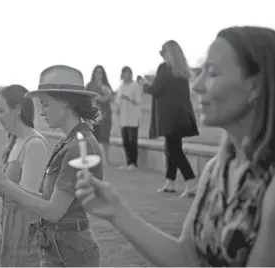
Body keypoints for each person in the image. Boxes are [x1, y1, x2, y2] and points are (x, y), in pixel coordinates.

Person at [75, 26, 275, 266]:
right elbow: (187, 257)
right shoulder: (216, 170)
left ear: (254, 86)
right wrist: (116, 211)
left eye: (212, 73)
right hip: (177, 122)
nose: (197, 85)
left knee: (174, 149)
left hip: (171, 120)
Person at [0, 65, 103, 267]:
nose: (40, 110)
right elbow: (48, 200)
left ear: (65, 102)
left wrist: (3, 183)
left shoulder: (79, 146)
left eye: (45, 104)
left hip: (70, 251)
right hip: (58, 246)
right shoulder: (71, 143)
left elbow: (53, 211)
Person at [0, 84, 49, 267]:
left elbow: (27, 196)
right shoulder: (16, 141)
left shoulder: (34, 144)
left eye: (1, 110)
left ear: (17, 109)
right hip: (8, 227)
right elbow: (11, 190)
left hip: (25, 234)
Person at [142, 40, 199, 197]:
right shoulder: (181, 71)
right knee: (172, 148)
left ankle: (191, 183)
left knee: (174, 150)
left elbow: (155, 89)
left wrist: (144, 85)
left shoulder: (165, 68)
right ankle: (170, 182)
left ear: (167, 53)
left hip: (169, 115)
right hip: (181, 114)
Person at [115, 67, 143, 170]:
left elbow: (138, 100)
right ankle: (128, 162)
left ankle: (133, 163)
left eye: (128, 73)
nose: (126, 75)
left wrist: (128, 97)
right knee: (125, 141)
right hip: (123, 118)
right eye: (124, 73)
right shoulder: (121, 87)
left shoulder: (135, 86)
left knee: (132, 140)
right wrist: (117, 108)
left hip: (133, 118)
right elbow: (118, 101)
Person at [86, 65, 114, 166]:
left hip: (105, 115)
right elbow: (86, 98)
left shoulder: (106, 85)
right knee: (93, 138)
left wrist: (105, 95)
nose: (99, 74)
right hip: (93, 115)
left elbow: (111, 97)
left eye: (101, 72)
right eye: (97, 72)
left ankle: (106, 159)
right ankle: (94, 159)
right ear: (93, 73)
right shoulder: (89, 85)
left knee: (105, 137)